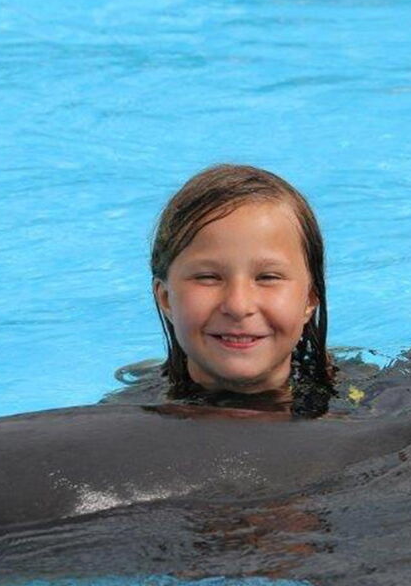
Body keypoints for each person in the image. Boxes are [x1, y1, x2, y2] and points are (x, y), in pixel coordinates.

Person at [105, 164, 336, 418]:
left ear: (310, 298)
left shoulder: (371, 400)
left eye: (268, 277)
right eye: (208, 277)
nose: (238, 306)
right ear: (166, 298)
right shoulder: (126, 420)